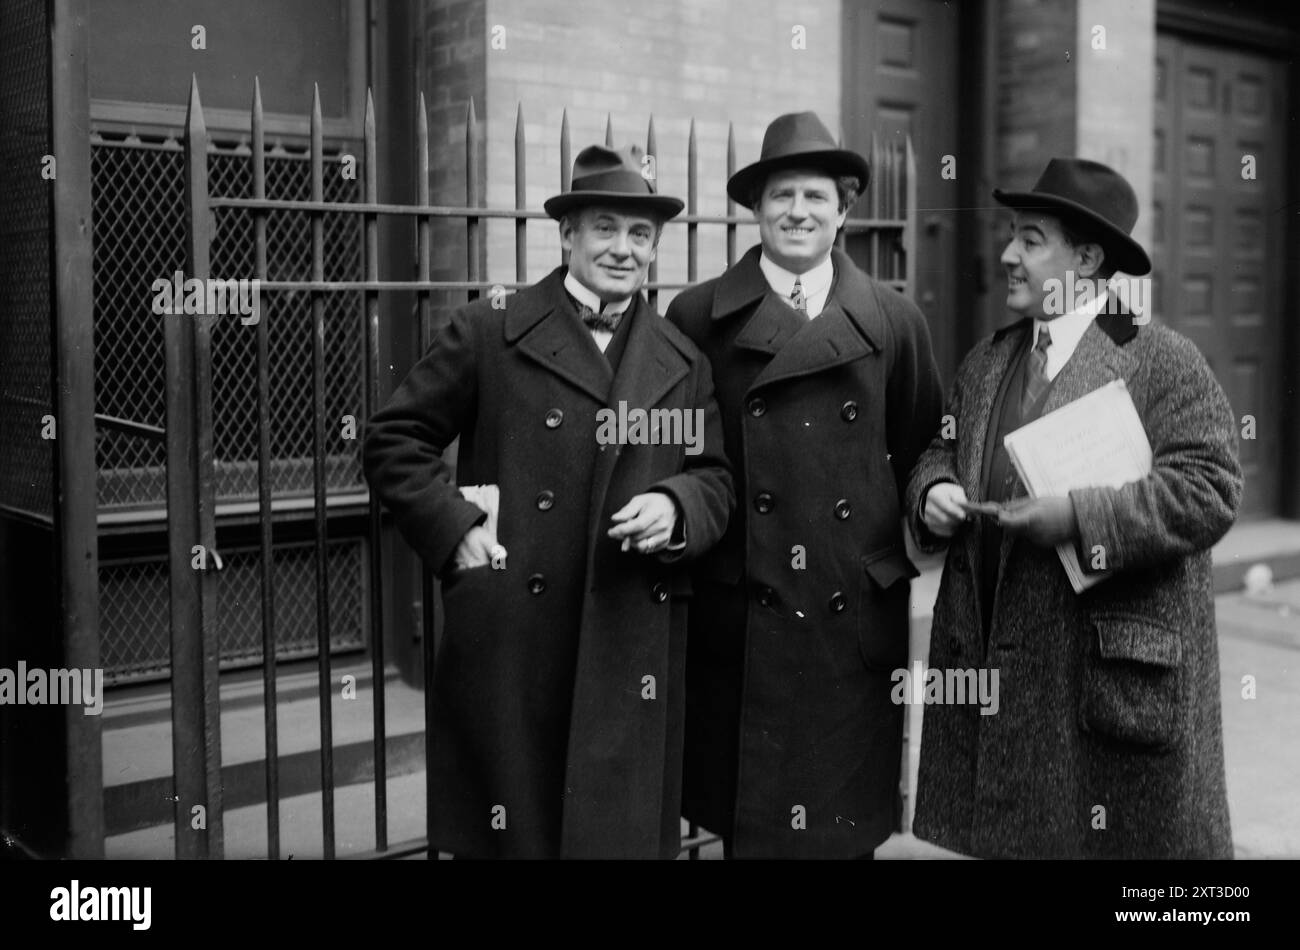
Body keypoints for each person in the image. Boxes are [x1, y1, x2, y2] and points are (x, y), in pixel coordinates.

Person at [363, 144, 734, 859]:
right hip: (514, 642)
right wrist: (455, 527)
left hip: (629, 647)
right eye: (604, 228)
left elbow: (715, 478)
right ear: (567, 235)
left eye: (639, 235)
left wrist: (678, 505)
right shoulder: (490, 330)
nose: (622, 250)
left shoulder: (680, 361)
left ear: (655, 248)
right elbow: (393, 440)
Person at [906, 157, 1241, 858]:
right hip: (996, 662)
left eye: (1030, 240)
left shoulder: (1159, 358)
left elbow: (1210, 490)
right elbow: (943, 448)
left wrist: (1080, 518)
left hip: (1099, 681)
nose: (1007, 255)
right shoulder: (988, 360)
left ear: (1086, 258)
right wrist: (931, 490)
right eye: (1011, 237)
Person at [665, 111, 944, 858]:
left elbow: (927, 448)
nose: (797, 212)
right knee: (754, 829)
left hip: (848, 610)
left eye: (816, 197)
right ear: (756, 209)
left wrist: (934, 496)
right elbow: (682, 454)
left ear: (845, 211)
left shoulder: (892, 319)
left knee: (842, 829)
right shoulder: (696, 315)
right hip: (746, 608)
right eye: (781, 195)